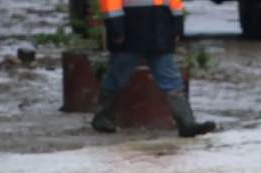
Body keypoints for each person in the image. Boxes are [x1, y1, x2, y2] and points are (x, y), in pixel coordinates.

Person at [92, 0, 216, 138]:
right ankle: (102, 116)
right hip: (133, 29)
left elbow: (174, 3)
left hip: (153, 29)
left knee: (170, 78)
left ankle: (187, 124)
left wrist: (177, 25)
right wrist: (116, 28)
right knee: (117, 76)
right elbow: (111, 4)